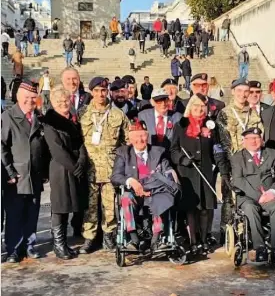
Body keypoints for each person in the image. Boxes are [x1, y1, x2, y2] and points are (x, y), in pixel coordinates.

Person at [78, 77, 130, 254]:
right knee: (90, 206)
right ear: (91, 92)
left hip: (110, 168)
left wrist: (121, 165)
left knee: (110, 206)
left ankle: (109, 235)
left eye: (104, 90)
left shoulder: (118, 115)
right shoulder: (82, 113)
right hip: (89, 168)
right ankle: (89, 237)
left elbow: (127, 141)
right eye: (97, 90)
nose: (101, 94)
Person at [170, 94, 227, 255]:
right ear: (190, 107)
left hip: (206, 172)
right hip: (187, 172)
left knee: (205, 209)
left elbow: (217, 148)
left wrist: (220, 164)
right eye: (196, 106)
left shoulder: (211, 125)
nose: (199, 110)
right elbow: (173, 149)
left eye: (202, 107)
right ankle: (193, 241)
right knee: (192, 209)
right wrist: (182, 160)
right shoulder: (180, 125)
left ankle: (203, 239)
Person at [111, 118, 179, 251]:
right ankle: (134, 238)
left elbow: (168, 172)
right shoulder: (123, 153)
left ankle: (156, 239)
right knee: (125, 198)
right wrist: (131, 181)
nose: (140, 140)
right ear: (130, 139)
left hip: (154, 191)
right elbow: (115, 176)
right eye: (136, 137)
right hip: (133, 193)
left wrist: (155, 186)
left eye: (143, 135)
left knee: (161, 197)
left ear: (147, 136)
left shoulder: (158, 152)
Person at [1, 80, 50, 263]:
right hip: (16, 177)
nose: (30, 100)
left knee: (32, 212)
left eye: (33, 97)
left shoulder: (37, 116)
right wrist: (10, 172)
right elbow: (2, 147)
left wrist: (43, 171)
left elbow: (43, 148)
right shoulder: (8, 116)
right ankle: (13, 249)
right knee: (14, 214)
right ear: (18, 97)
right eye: (27, 97)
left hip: (35, 175)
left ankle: (30, 246)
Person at [42, 85, 88, 260]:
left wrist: (82, 160)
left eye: (66, 100)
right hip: (61, 169)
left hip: (76, 167)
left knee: (70, 204)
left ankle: (65, 243)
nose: (64, 103)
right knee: (60, 206)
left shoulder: (74, 120)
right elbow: (57, 149)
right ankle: (59, 244)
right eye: (59, 101)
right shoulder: (50, 123)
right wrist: (74, 167)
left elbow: (81, 143)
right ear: (53, 103)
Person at [231, 127, 275, 262]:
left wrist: (272, 192)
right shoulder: (238, 158)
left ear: (261, 140)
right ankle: (260, 248)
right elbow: (238, 180)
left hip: (270, 195)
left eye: (256, 138)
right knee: (250, 209)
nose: (253, 141)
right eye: (249, 139)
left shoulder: (273, 154)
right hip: (248, 196)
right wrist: (258, 196)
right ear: (244, 141)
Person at [216, 79, 263, 244]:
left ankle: (245, 234)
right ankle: (227, 234)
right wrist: (229, 167)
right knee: (230, 199)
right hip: (232, 164)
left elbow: (260, 136)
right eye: (240, 91)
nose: (243, 94)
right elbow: (223, 142)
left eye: (246, 91)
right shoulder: (224, 113)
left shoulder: (253, 113)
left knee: (248, 197)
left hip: (251, 164)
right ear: (233, 91)